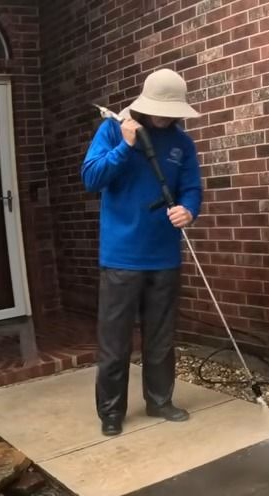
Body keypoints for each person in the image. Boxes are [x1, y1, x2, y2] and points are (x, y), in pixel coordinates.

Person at [80, 68, 202, 436]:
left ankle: (160, 401)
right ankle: (111, 412)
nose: (166, 116)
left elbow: (191, 188)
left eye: (172, 110)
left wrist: (189, 210)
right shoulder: (114, 130)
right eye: (161, 109)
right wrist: (126, 147)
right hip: (121, 257)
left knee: (161, 339)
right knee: (115, 342)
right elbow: (91, 178)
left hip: (164, 256)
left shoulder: (183, 143)